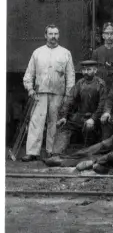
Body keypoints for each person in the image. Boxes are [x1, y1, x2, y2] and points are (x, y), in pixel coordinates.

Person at [22, 27, 76, 161]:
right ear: (45, 35)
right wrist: (30, 89)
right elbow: (29, 73)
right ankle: (32, 152)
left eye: (56, 34)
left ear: (59, 35)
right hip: (39, 93)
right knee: (36, 121)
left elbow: (70, 76)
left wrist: (68, 94)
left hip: (58, 93)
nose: (53, 36)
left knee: (55, 122)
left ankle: (52, 151)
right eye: (50, 34)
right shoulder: (38, 52)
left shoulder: (65, 53)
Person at [51, 60, 106, 154]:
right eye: (84, 70)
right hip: (80, 116)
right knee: (64, 126)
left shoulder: (100, 84)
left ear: (95, 70)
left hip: (95, 118)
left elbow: (102, 105)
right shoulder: (80, 83)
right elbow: (70, 100)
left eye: (89, 69)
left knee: (89, 127)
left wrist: (93, 119)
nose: (86, 72)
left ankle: (87, 152)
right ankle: (57, 153)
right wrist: (64, 116)